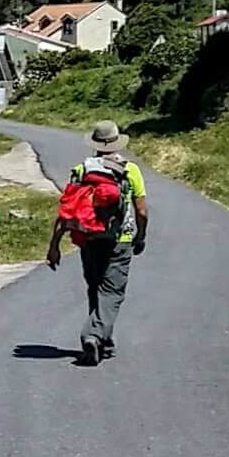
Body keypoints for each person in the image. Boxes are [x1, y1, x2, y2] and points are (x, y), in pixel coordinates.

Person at [46, 120, 149, 366]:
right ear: (117, 142)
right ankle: (93, 335)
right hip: (120, 239)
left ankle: (105, 340)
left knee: (96, 288)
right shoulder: (130, 170)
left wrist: (55, 244)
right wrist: (141, 235)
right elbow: (142, 211)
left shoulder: (81, 170)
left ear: (95, 144)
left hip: (89, 238)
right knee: (112, 292)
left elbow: (67, 209)